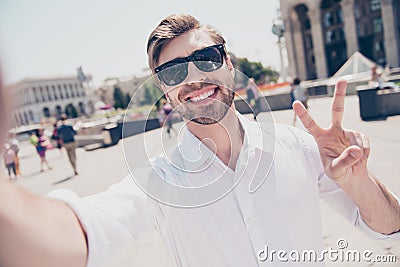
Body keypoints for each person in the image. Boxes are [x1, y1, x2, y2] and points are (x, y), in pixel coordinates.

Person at [0, 14, 399, 267]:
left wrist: (358, 180)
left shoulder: (298, 147)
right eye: (173, 73)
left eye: (205, 59)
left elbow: (390, 232)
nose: (192, 79)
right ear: (163, 89)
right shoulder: (156, 182)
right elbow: (81, 231)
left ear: (229, 63)